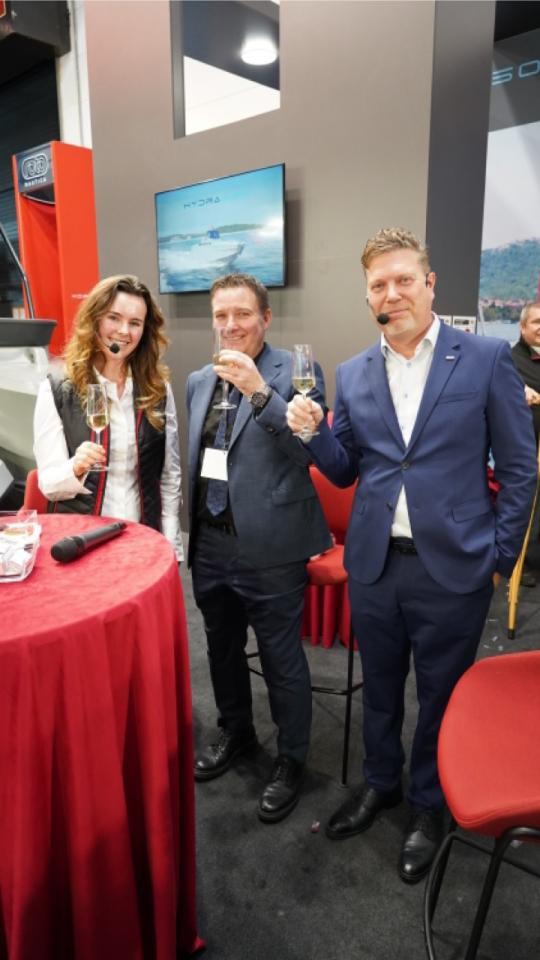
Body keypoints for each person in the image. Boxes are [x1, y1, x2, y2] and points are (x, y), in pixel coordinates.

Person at [287, 228, 536, 881]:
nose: (391, 293)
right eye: (379, 284)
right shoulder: (352, 373)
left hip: (454, 567)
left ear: (430, 284)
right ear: (366, 294)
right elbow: (347, 469)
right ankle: (381, 783)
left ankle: (429, 804)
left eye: (404, 279)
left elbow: (519, 469)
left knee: (440, 694)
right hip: (375, 563)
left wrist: (498, 558)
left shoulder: (483, 358)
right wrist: (313, 436)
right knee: (380, 688)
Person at [186, 272, 331, 823]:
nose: (230, 325)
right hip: (211, 542)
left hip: (271, 547)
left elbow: (308, 452)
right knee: (221, 648)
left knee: (280, 658)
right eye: (221, 315)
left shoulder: (294, 371)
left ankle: (291, 759)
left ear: (265, 318)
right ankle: (237, 731)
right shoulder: (199, 380)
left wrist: (258, 392)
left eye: (242, 314)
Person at [33, 274, 183, 561]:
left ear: (145, 330)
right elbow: (49, 485)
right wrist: (75, 467)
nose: (124, 331)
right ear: (95, 319)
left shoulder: (156, 389)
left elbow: (169, 477)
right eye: (114, 318)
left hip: (142, 539)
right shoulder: (57, 388)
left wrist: (172, 548)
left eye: (135, 323)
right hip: (83, 543)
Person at [511, 300, 540, 586]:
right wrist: (519, 390)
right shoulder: (509, 361)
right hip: (527, 452)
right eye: (536, 322)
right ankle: (527, 564)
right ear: (522, 327)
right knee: (530, 506)